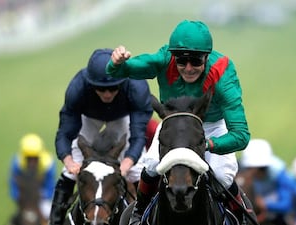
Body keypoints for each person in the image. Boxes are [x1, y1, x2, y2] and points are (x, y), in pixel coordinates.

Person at [106, 20, 253, 224]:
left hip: (210, 128)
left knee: (222, 175)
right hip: (173, 125)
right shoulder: (165, 58)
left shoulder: (223, 71)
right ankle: (138, 213)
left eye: (196, 61)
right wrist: (116, 63)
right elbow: (122, 70)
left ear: (207, 57)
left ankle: (243, 216)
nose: (189, 68)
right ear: (173, 57)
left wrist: (208, 145)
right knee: (151, 166)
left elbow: (241, 135)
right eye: (182, 61)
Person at [50, 48, 153, 225]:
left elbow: (138, 136)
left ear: (123, 82)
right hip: (89, 119)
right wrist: (69, 162)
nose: (107, 94)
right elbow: (65, 132)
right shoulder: (77, 87)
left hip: (123, 119)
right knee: (69, 172)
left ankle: (147, 218)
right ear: (90, 84)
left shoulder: (136, 86)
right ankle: (55, 220)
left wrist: (126, 164)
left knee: (138, 170)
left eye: (113, 88)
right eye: (101, 89)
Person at [239, 139, 296, 225]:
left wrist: (264, 204)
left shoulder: (279, 173)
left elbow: (286, 204)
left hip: (278, 216)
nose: (249, 173)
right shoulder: (241, 168)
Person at [9, 133, 56, 223]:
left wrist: (39, 196)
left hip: (42, 199)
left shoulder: (49, 164)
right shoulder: (16, 164)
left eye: (35, 159)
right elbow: (14, 187)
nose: (32, 163)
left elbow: (50, 188)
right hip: (24, 200)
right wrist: (21, 198)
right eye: (29, 159)